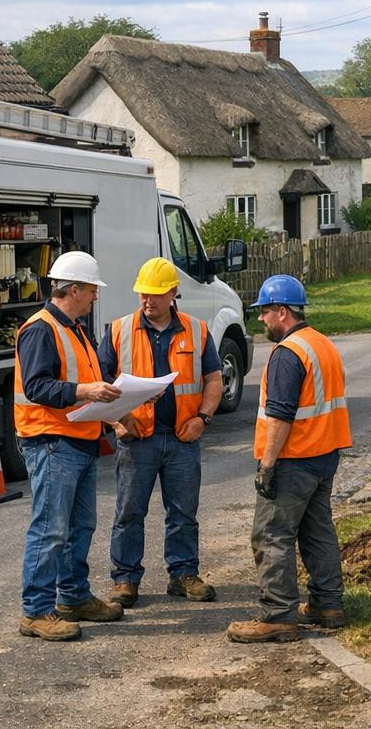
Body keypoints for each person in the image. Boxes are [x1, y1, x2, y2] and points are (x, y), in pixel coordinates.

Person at [227, 274, 352, 644]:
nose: (261, 320)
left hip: (294, 459)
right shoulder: (322, 344)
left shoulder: (287, 354)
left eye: (264, 312)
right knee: (317, 532)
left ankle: (278, 615)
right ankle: (328, 606)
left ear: (281, 311)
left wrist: (267, 465)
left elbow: (280, 415)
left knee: (271, 535)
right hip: (325, 455)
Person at [98, 257, 223, 609]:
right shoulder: (120, 331)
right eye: (143, 294)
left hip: (182, 439)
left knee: (183, 512)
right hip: (137, 439)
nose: (147, 301)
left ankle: (183, 574)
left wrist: (203, 418)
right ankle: (124, 580)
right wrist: (119, 421)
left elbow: (213, 378)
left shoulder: (196, 331)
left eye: (155, 295)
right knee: (129, 512)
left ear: (172, 293)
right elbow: (101, 382)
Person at [14, 250, 125, 641]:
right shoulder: (41, 329)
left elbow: (88, 381)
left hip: (77, 439)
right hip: (50, 441)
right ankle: (36, 611)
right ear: (73, 290)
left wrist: (113, 408)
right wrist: (85, 391)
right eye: (92, 290)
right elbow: (37, 386)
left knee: (79, 526)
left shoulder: (74, 327)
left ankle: (74, 597)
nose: (95, 297)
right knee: (50, 529)